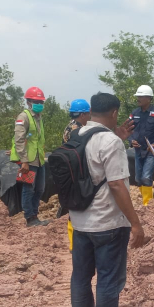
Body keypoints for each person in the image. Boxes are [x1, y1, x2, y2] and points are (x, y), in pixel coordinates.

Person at [69, 92, 146, 307]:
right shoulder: (110, 142)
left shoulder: (76, 135)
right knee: (108, 280)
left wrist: (119, 139)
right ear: (114, 113)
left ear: (91, 112)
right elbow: (115, 184)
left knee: (80, 278)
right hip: (108, 224)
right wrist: (135, 223)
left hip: (80, 221)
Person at [10, 86, 48, 227]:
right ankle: (30, 218)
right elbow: (19, 139)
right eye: (35, 101)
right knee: (29, 188)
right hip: (28, 159)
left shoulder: (38, 117)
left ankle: (34, 215)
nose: (39, 105)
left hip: (38, 159)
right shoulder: (23, 117)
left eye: (41, 102)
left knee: (40, 189)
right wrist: (24, 161)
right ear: (28, 102)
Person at [128, 85, 154, 206]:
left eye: (141, 96)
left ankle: (147, 204)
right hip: (138, 150)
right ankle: (145, 199)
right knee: (138, 179)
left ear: (148, 98)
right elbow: (129, 130)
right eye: (138, 96)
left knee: (146, 177)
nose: (138, 98)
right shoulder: (134, 113)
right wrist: (131, 140)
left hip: (151, 151)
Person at [62, 98, 91, 252]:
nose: (89, 117)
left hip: (69, 171)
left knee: (74, 208)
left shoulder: (70, 127)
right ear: (82, 114)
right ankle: (75, 244)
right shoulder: (77, 130)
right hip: (75, 172)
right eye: (87, 114)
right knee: (77, 207)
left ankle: (74, 243)